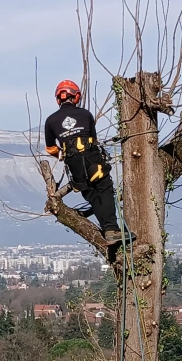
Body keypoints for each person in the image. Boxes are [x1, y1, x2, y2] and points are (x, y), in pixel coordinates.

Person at [44, 79, 132, 245]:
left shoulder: (51, 120)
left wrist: (62, 155)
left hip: (73, 163)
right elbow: (93, 139)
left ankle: (108, 229)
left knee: (91, 194)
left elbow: (50, 148)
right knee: (103, 189)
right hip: (91, 158)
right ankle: (111, 229)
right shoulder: (85, 115)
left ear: (58, 99)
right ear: (76, 97)